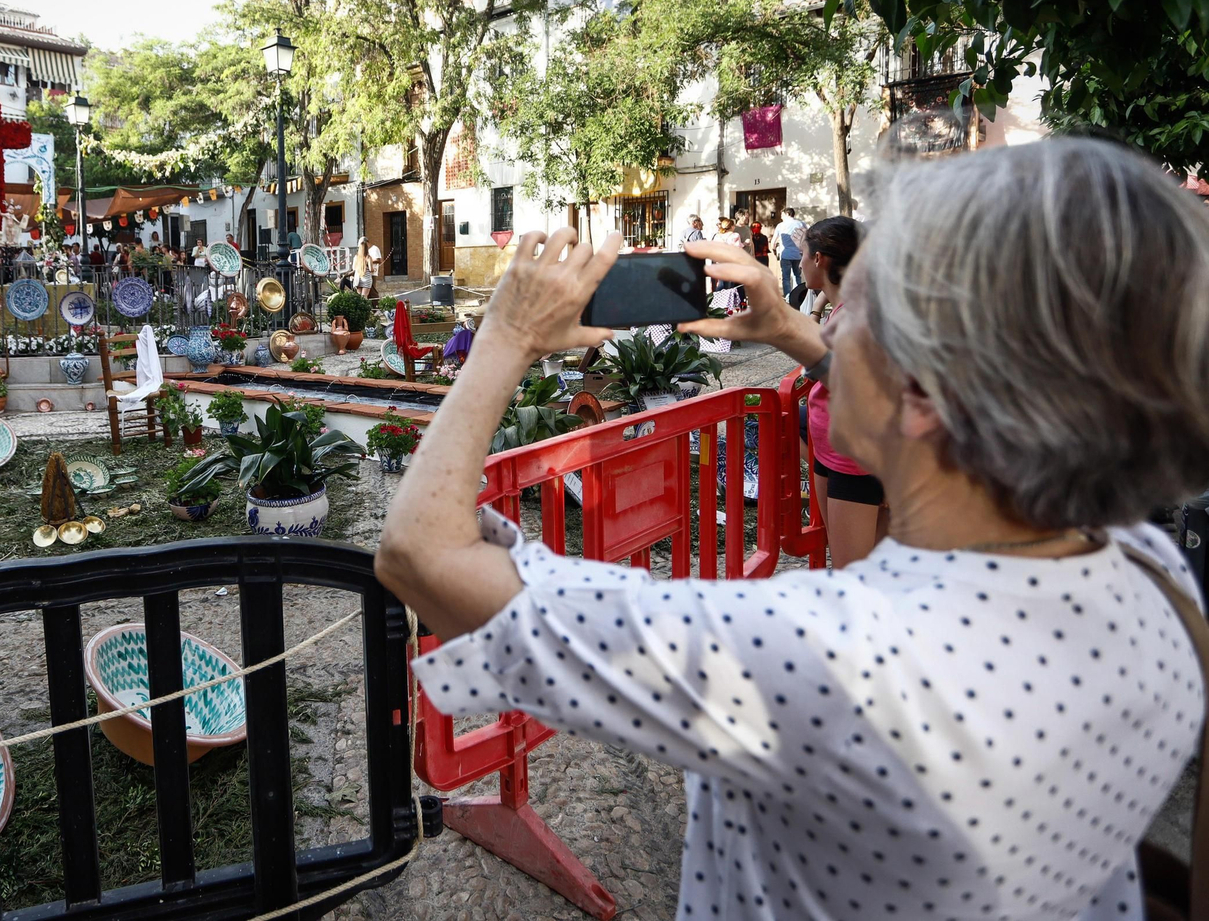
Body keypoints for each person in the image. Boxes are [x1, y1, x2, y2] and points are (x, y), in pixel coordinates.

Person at [376, 137, 1209, 921]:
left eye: (857, 309)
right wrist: (785, 330)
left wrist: (504, 339)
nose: (833, 326)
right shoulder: (1151, 570)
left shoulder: (822, 657)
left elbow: (422, 551)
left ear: (924, 397)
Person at [794, 215, 887, 566]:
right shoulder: (847, 306)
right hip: (833, 453)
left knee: (857, 578)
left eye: (804, 254)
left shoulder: (858, 315)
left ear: (819, 260)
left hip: (856, 462)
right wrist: (818, 305)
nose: (800, 263)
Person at [774, 205, 806, 295]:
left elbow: (773, 241)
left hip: (785, 255)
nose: (781, 217)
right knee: (797, 276)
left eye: (782, 215)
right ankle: (799, 295)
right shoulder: (801, 224)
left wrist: (774, 251)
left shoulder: (780, 225)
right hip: (798, 254)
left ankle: (788, 296)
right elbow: (807, 236)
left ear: (787, 214)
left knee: (786, 277)